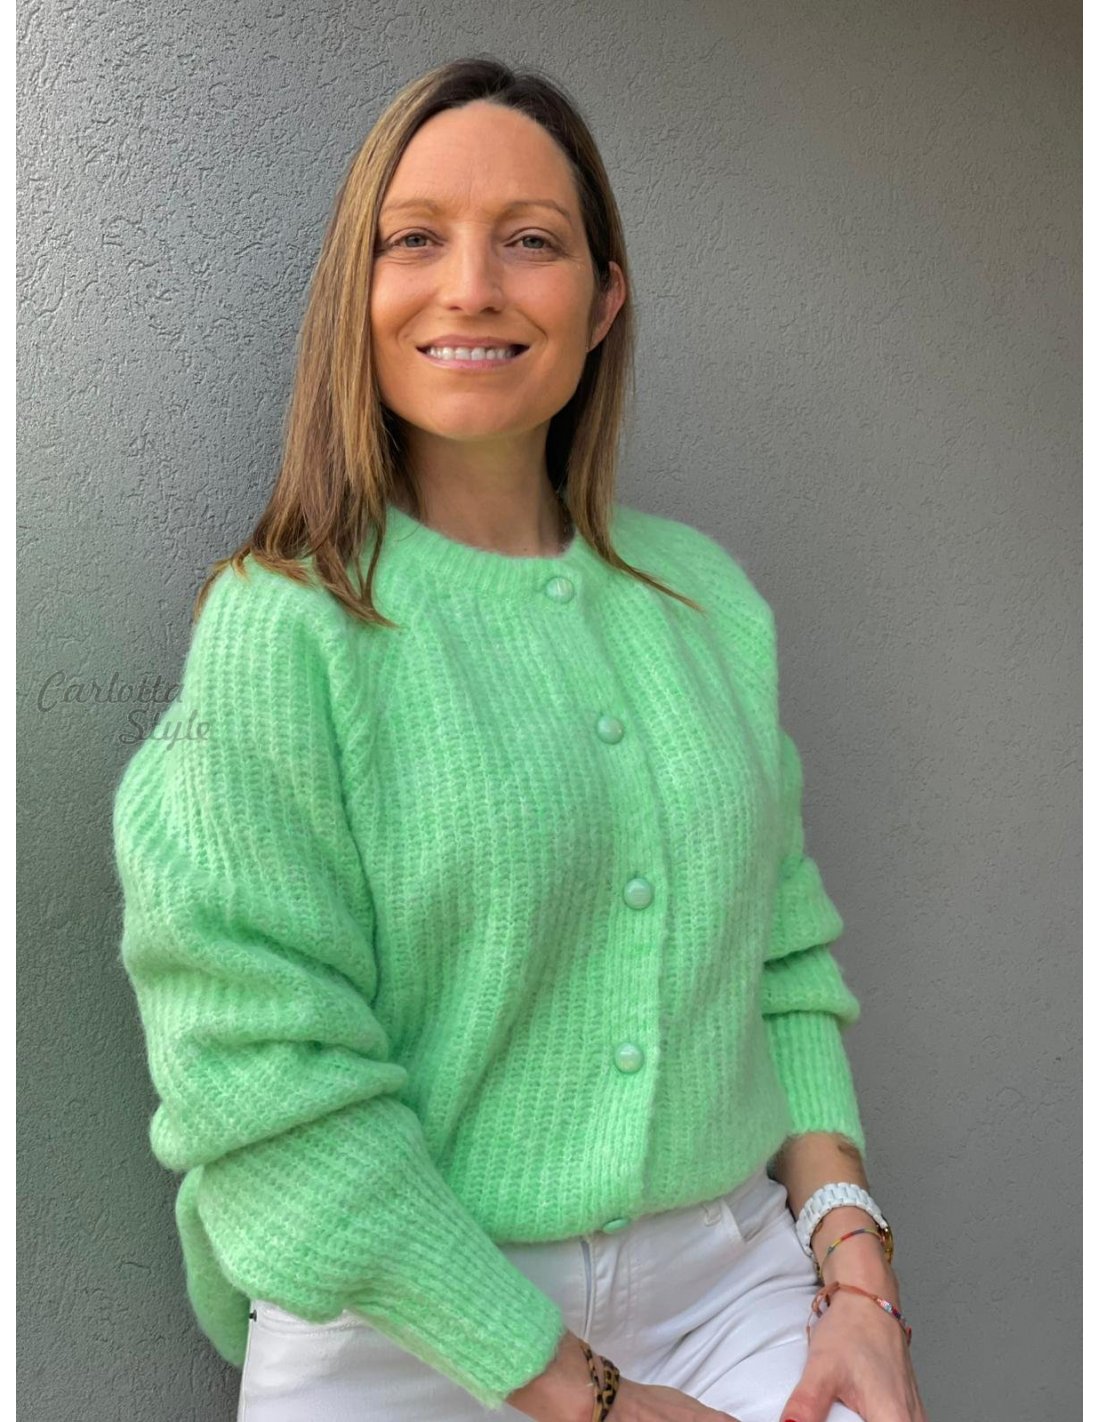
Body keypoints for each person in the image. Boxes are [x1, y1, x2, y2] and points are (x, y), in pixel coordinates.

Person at [111, 56, 928, 1422]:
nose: (473, 285)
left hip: (727, 1282)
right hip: (403, 1319)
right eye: (415, 238)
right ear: (358, 293)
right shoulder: (285, 629)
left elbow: (781, 963)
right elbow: (263, 1082)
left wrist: (858, 1276)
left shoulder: (705, 602)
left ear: (602, 301)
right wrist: (585, 1392)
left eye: (531, 241)